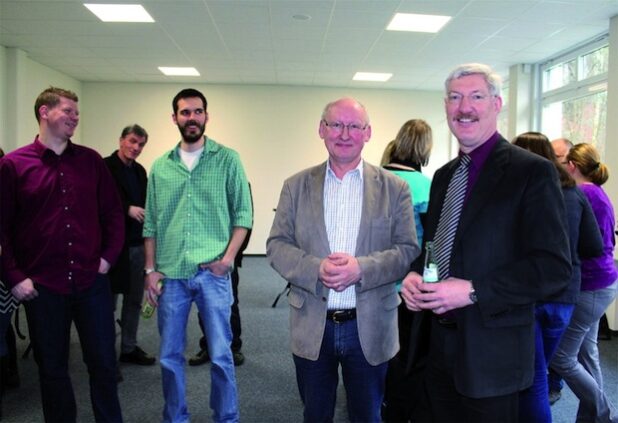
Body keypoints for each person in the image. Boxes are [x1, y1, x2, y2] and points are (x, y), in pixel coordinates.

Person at [400, 63, 571, 422]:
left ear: (497, 104)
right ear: (446, 107)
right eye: (455, 98)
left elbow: (553, 268)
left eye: (476, 96)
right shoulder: (444, 176)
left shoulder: (531, 172)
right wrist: (416, 276)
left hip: (491, 354)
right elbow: (437, 247)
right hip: (436, 346)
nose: (465, 107)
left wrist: (474, 290)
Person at [267, 97, 420, 422]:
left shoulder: (396, 188)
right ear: (322, 129)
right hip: (312, 323)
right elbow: (277, 245)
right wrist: (315, 268)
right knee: (316, 414)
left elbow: (407, 249)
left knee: (367, 415)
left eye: (354, 126)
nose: (344, 133)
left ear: (368, 133)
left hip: (370, 325)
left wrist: (360, 269)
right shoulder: (295, 186)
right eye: (336, 124)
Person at [0, 87, 124, 422]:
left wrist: (108, 258)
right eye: (67, 111)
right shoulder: (13, 165)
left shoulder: (91, 161)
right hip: (43, 288)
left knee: (103, 363)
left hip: (91, 282)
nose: (74, 117)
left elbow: (113, 213)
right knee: (52, 369)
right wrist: (13, 276)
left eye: (76, 112)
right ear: (44, 112)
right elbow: (2, 229)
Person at [143, 88, 252, 423]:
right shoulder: (160, 167)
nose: (192, 118)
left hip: (213, 274)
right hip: (171, 275)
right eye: (185, 112)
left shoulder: (228, 158)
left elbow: (243, 216)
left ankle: (226, 417)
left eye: (198, 111)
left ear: (207, 115)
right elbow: (151, 223)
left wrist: (227, 260)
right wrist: (150, 269)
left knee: (221, 355)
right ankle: (176, 417)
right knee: (169, 356)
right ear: (174, 117)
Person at [512, 132, 603, 423]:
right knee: (543, 371)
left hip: (532, 297)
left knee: (534, 379)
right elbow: (593, 246)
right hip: (564, 299)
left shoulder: (521, 194)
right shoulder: (574, 192)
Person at [550, 143, 618, 423]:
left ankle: (604, 412)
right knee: (587, 353)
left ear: (572, 166)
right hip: (604, 281)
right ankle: (593, 417)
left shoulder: (581, 194)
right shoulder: (597, 192)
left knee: (561, 358)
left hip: (591, 285)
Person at [380, 119, 433, 422]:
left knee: (376, 348)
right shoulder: (425, 186)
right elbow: (433, 240)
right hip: (409, 284)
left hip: (374, 280)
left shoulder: (373, 178)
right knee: (407, 353)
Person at [104, 124, 156, 367]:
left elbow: (146, 203)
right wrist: (127, 208)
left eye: (141, 144)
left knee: (134, 300)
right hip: (112, 248)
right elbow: (98, 202)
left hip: (136, 244)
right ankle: (105, 352)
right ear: (121, 140)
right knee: (107, 303)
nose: (136, 148)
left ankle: (128, 347)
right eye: (133, 141)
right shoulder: (104, 167)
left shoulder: (140, 172)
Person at [188, 185, 253, 367]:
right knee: (204, 303)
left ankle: (233, 347)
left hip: (226, 259)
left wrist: (230, 258)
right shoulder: (200, 183)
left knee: (229, 304)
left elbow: (246, 222)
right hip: (201, 257)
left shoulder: (240, 183)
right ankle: (208, 345)